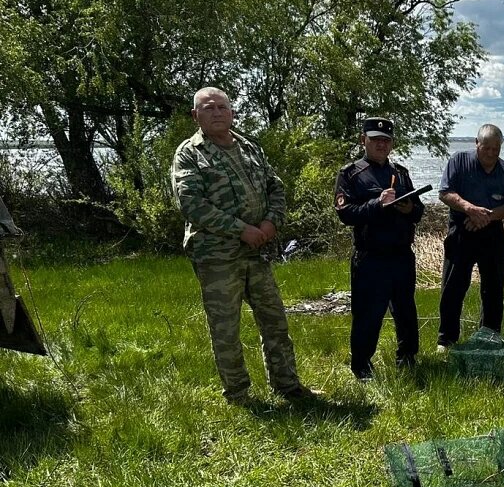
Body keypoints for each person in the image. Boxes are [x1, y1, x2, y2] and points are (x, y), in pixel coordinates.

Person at [171, 86, 318, 403]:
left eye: (222, 107)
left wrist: (270, 223)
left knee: (274, 321)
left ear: (232, 112)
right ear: (196, 115)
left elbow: (275, 188)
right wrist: (241, 230)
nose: (216, 112)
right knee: (226, 329)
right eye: (208, 108)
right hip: (218, 256)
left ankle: (287, 385)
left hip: (257, 252)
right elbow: (191, 204)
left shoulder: (250, 147)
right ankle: (238, 393)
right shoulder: (189, 153)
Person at [334, 117, 425, 378]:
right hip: (371, 256)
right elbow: (345, 213)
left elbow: (419, 211)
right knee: (368, 315)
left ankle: (407, 358)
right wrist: (377, 204)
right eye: (375, 140)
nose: (381, 145)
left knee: (406, 312)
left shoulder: (401, 173)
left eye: (386, 140)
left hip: (402, 255)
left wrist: (409, 208)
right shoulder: (351, 174)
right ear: (363, 140)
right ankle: (362, 366)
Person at [436, 124, 504, 350]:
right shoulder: (459, 161)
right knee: (453, 287)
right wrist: (470, 209)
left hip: (492, 232)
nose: (491, 153)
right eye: (486, 148)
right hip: (461, 229)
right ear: (477, 144)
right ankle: (446, 340)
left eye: (496, 149)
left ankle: (489, 337)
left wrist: (486, 216)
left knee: (493, 289)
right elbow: (445, 192)